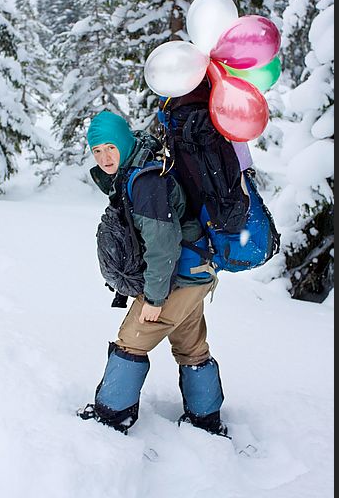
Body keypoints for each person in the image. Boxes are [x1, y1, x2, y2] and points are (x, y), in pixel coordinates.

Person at [77, 110, 227, 436]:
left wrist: (156, 297)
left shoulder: (146, 181)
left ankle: (111, 417)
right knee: (191, 347)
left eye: (110, 147)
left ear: (124, 142)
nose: (104, 157)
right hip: (195, 272)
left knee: (131, 341)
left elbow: (162, 242)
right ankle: (205, 419)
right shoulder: (141, 168)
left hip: (178, 277)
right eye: (97, 150)